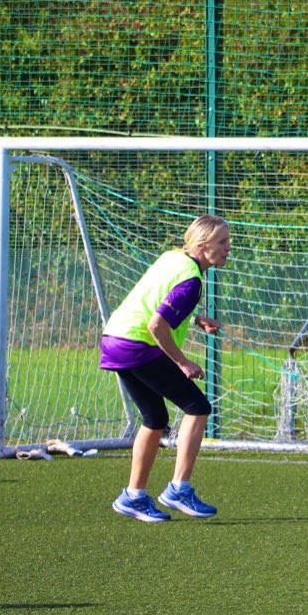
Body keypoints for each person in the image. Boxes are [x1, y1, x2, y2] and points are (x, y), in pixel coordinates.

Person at [100, 215, 231, 522]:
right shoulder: (192, 281)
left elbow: (157, 301)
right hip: (137, 344)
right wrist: (182, 362)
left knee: (155, 418)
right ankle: (178, 489)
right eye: (222, 242)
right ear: (202, 246)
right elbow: (156, 325)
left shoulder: (172, 257)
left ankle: (133, 496)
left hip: (114, 339)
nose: (228, 248)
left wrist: (195, 319)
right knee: (198, 407)